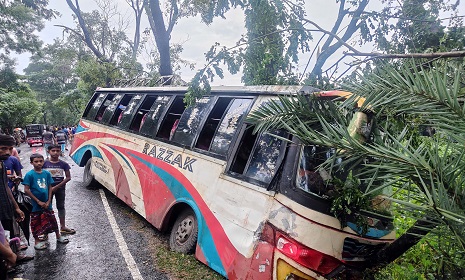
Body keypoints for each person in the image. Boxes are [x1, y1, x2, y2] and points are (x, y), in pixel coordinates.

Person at [23, 153, 69, 250]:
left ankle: (58, 236)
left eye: (41, 161)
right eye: (36, 161)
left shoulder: (47, 174)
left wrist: (48, 200)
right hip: (35, 204)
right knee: (36, 221)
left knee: (52, 219)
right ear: (31, 163)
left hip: (47, 202)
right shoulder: (29, 175)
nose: (39, 163)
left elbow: (49, 187)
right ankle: (37, 241)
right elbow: (26, 190)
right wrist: (38, 201)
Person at [0, 135, 32, 262]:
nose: (7, 152)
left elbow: (6, 188)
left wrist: (16, 207)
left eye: (10, 148)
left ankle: (14, 256)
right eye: (3, 148)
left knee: (11, 232)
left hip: (6, 207)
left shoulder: (2, 164)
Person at [43, 144, 75, 235]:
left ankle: (63, 226)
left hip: (60, 188)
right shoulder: (44, 163)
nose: (55, 153)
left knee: (61, 206)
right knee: (46, 207)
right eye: (53, 151)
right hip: (46, 189)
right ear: (48, 151)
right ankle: (45, 228)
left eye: (58, 151)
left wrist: (56, 187)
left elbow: (68, 177)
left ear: (60, 151)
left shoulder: (63, 164)